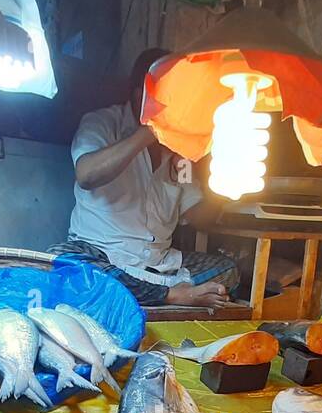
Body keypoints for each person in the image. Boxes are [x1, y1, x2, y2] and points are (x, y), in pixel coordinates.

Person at [50, 48, 240, 308]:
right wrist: (152, 130)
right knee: (64, 263)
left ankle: (155, 292)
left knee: (227, 270)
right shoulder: (103, 123)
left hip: (160, 266)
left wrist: (224, 173)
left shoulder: (179, 151)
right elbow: (87, 174)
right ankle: (173, 296)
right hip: (100, 257)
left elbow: (198, 217)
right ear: (141, 92)